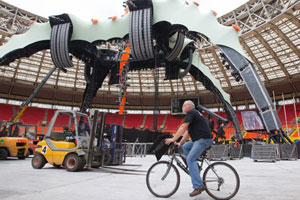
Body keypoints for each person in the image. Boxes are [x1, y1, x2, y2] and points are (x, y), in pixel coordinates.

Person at [165, 100, 213, 197]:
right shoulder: (194, 115)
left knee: (190, 159)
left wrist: (173, 139)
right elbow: (187, 133)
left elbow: (183, 127)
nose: (182, 107)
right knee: (185, 146)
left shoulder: (191, 112)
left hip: (203, 140)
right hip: (200, 139)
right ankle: (195, 167)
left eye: (183, 105)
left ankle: (198, 186)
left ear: (189, 106)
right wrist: (180, 143)